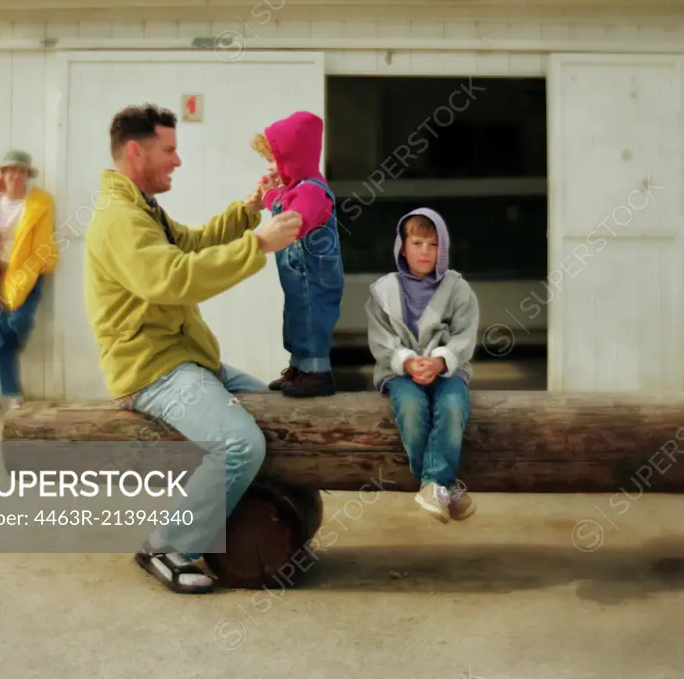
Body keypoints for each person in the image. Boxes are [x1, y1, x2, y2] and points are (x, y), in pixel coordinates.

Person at [83, 103, 302, 594]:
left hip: (188, 362)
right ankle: (167, 544)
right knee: (239, 442)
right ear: (135, 151)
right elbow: (173, 277)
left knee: (277, 406)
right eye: (170, 150)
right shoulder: (120, 219)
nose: (178, 161)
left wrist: (249, 211)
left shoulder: (144, 209)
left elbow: (193, 245)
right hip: (152, 371)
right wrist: (259, 245)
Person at [366, 208, 478, 523]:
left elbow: (465, 336)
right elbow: (380, 340)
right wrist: (407, 361)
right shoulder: (383, 290)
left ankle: (432, 483)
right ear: (402, 246)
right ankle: (442, 483)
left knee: (453, 405)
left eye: (433, 244)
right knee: (413, 407)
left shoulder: (458, 289)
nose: (425, 251)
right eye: (417, 243)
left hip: (447, 370)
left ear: (443, 248)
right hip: (399, 372)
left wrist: (441, 360)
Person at [250, 110, 344, 397]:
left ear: (293, 159)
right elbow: (284, 203)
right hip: (298, 278)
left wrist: (272, 202)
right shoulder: (297, 188)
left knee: (311, 322)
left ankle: (317, 373)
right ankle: (300, 367)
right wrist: (269, 195)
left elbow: (295, 218)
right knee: (296, 319)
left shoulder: (313, 191)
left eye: (272, 161)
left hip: (315, 278)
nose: (268, 168)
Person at [0, 150, 57, 409]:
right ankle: (11, 395)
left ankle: (16, 342)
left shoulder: (40, 204)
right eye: (11, 170)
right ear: (3, 174)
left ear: (27, 176)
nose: (15, 176)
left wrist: (41, 265)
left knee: (20, 320)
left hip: (28, 274)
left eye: (21, 171)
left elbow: (42, 241)